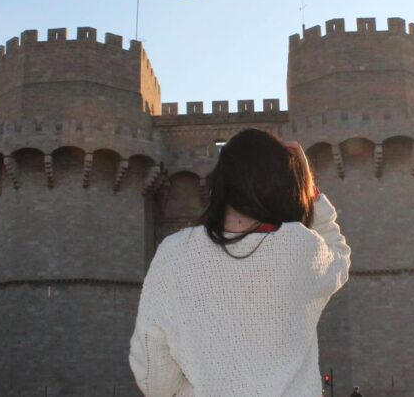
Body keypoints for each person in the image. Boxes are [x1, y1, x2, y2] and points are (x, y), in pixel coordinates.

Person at [129, 128, 351, 396]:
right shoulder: (302, 248)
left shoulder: (174, 255)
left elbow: (156, 381)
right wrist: (312, 191)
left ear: (220, 182)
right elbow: (338, 255)